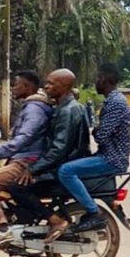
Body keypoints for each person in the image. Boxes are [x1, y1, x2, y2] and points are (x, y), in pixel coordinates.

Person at [0, 71, 55, 248]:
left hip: (26, 161)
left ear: (27, 86)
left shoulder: (35, 109)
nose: (12, 88)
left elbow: (23, 139)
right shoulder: (32, 106)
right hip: (24, 158)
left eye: (16, 84)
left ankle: (1, 229)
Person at [55, 63, 130, 235]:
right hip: (107, 155)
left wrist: (97, 130)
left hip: (111, 159)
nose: (95, 83)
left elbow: (101, 135)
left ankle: (94, 213)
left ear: (103, 80)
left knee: (66, 171)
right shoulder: (112, 101)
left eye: (97, 79)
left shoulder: (115, 102)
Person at [26, 69, 92, 241]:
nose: (46, 86)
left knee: (16, 186)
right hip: (62, 163)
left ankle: (54, 220)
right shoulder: (62, 107)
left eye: (51, 83)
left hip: (61, 167)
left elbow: (59, 148)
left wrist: (33, 169)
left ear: (64, 86)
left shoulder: (68, 111)